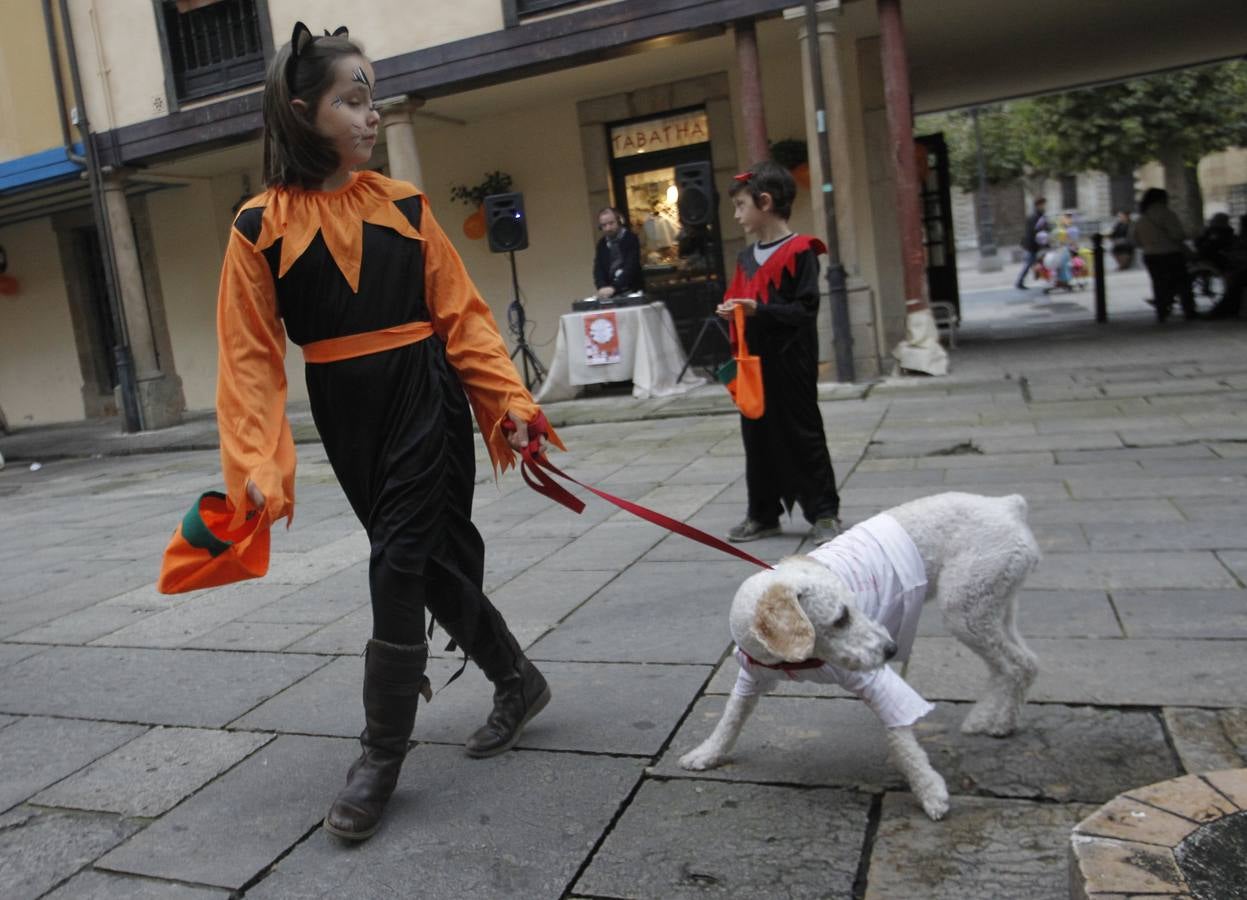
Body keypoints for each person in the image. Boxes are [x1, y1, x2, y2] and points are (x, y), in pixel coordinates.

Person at [216, 23, 561, 842]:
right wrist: (257, 464)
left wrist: (508, 400)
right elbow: (248, 359)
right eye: (353, 100)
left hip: (423, 396)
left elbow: (465, 316)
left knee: (399, 561)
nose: (371, 116)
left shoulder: (403, 206)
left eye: (371, 99)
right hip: (346, 414)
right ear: (304, 113)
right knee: (424, 564)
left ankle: (381, 754)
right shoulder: (256, 226)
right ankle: (517, 678)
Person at [717, 160, 841, 545]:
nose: (737, 215)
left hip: (792, 365)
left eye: (741, 205)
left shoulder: (801, 250)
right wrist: (731, 310)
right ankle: (763, 514)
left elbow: (805, 310)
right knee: (756, 438)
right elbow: (740, 303)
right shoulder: (744, 259)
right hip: (753, 365)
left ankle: (824, 513)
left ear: (765, 202)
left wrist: (758, 310)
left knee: (804, 435)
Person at [1131, 188, 1194, 322]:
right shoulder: (1167, 214)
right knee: (1182, 282)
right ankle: (1188, 310)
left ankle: (1161, 310)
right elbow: (1177, 234)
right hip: (1170, 253)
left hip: (1150, 255)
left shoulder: (1142, 218)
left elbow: (1135, 240)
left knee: (1158, 283)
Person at [592, 207, 643, 298]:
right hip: (610, 293)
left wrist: (614, 287)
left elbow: (631, 266)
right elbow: (598, 269)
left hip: (632, 291)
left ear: (619, 222)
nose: (608, 228)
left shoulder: (630, 238)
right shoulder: (602, 244)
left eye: (611, 223)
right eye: (604, 225)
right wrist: (601, 287)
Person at [1015, 196, 1048, 290]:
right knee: (1030, 263)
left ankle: (1022, 281)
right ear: (1038, 205)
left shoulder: (1039, 216)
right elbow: (1035, 232)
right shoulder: (1035, 217)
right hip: (1032, 245)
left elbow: (1043, 229)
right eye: (1043, 204)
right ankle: (1020, 282)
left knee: (1032, 263)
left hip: (1034, 245)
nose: (1044, 206)